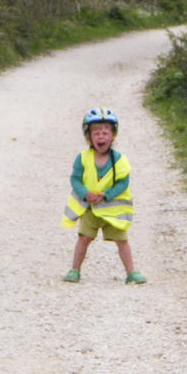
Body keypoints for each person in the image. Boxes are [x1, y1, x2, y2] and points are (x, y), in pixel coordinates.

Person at [61, 108, 146, 284]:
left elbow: (123, 182)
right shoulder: (83, 158)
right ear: (89, 137)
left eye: (105, 133)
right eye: (96, 133)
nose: (101, 137)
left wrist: (106, 195)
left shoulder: (119, 160)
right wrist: (85, 194)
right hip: (90, 208)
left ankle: (131, 272)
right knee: (84, 238)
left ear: (113, 136)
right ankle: (74, 270)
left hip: (113, 210)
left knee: (122, 241)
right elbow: (75, 179)